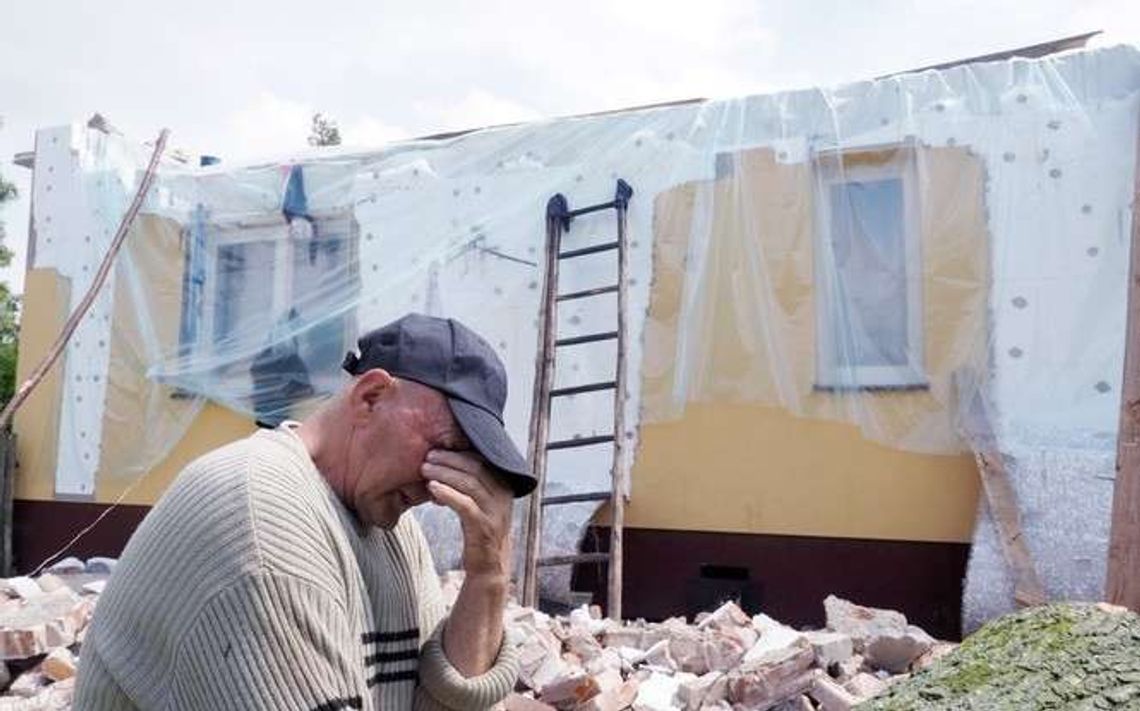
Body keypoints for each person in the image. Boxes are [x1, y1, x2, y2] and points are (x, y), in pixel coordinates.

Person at [74, 313, 537, 710]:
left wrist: (488, 576)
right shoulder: (262, 518)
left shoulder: (391, 528)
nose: (440, 488)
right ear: (371, 397)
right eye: (443, 448)